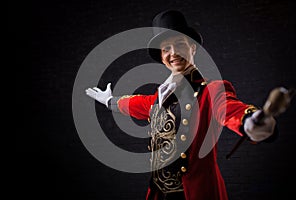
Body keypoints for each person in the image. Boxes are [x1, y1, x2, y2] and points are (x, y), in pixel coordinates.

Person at [85, 10, 277, 200]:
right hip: (159, 193)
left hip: (196, 193)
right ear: (161, 56)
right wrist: (110, 101)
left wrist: (250, 121)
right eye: (166, 48)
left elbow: (229, 108)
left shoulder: (211, 90)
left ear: (192, 48)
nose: (174, 53)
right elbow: (134, 104)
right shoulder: (157, 99)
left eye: (179, 44)